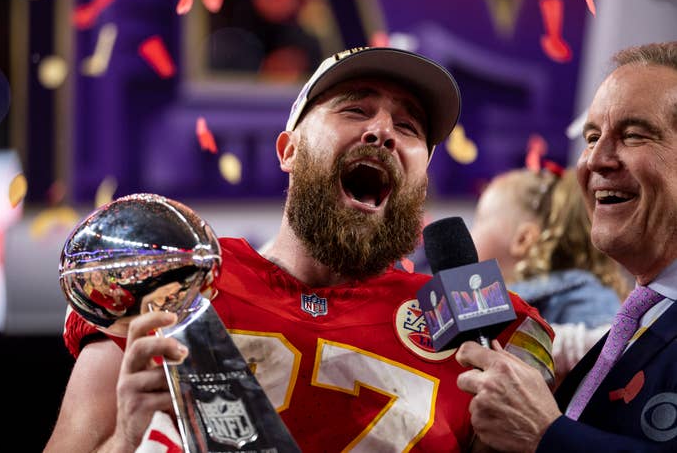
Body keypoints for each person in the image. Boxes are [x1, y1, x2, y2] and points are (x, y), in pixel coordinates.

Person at [44, 47, 553, 452]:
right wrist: (126, 439)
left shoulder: (485, 330)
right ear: (288, 150)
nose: (381, 132)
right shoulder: (172, 274)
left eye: (409, 127)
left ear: (422, 177)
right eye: (355, 108)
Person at [456, 41, 677, 452]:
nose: (595, 159)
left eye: (632, 135)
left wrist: (546, 435)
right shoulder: (637, 321)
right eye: (592, 137)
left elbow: (547, 435)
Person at [471, 167, 628, 379]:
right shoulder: (486, 300)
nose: (471, 231)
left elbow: (609, 354)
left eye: (479, 219)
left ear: (523, 239)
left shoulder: (583, 292)